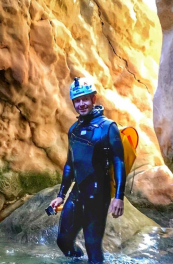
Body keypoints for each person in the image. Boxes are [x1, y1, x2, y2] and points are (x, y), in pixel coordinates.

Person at [49, 77, 126, 264]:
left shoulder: (108, 127)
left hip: (99, 195)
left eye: (85, 99)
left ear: (93, 99)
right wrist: (61, 195)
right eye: (77, 100)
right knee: (63, 241)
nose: (81, 104)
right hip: (78, 193)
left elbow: (119, 161)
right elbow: (70, 164)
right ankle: (77, 260)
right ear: (74, 103)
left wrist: (118, 197)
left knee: (93, 248)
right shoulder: (74, 130)